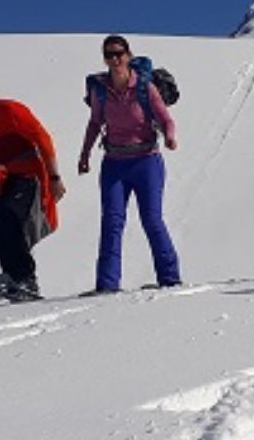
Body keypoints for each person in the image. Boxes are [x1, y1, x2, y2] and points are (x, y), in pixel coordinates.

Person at [77, 35, 182, 293]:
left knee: (152, 220)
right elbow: (95, 123)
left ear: (128, 55)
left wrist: (169, 137)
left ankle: (170, 279)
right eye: (109, 54)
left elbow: (165, 118)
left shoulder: (145, 87)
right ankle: (107, 284)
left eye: (119, 54)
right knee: (111, 222)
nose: (115, 59)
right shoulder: (100, 90)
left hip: (147, 162)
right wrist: (85, 154)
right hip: (114, 163)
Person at [0, 76, 65, 302]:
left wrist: (54, 177)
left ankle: (26, 279)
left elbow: (43, 140)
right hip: (5, 181)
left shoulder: (11, 110)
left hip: (30, 176)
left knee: (13, 219)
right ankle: (13, 277)